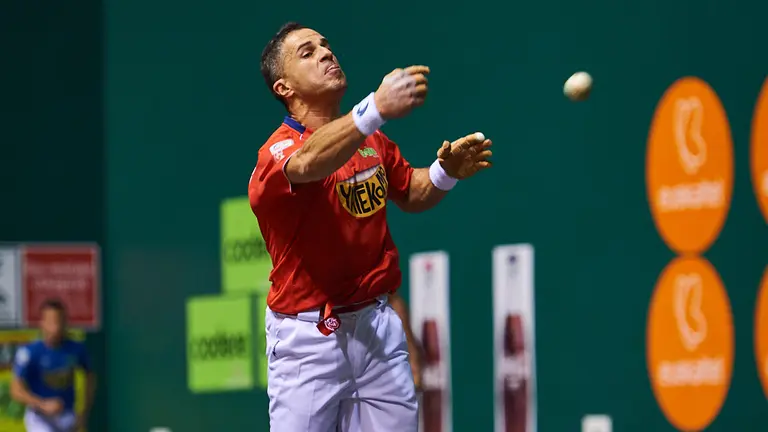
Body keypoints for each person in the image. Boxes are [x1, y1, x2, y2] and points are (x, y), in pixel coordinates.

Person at [251, 22, 492, 431]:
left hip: (376, 328)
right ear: (284, 88)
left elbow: (410, 191)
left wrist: (444, 172)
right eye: (308, 53)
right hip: (308, 339)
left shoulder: (371, 141)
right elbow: (309, 163)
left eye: (325, 45)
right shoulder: (277, 153)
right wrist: (375, 108)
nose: (326, 53)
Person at [11, 299, 96, 432]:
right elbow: (16, 390)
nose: (56, 327)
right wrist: (42, 404)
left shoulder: (76, 349)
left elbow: (90, 376)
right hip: (39, 417)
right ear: (42, 323)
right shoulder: (30, 352)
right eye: (51, 322)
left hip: (67, 416)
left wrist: (84, 412)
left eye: (60, 321)